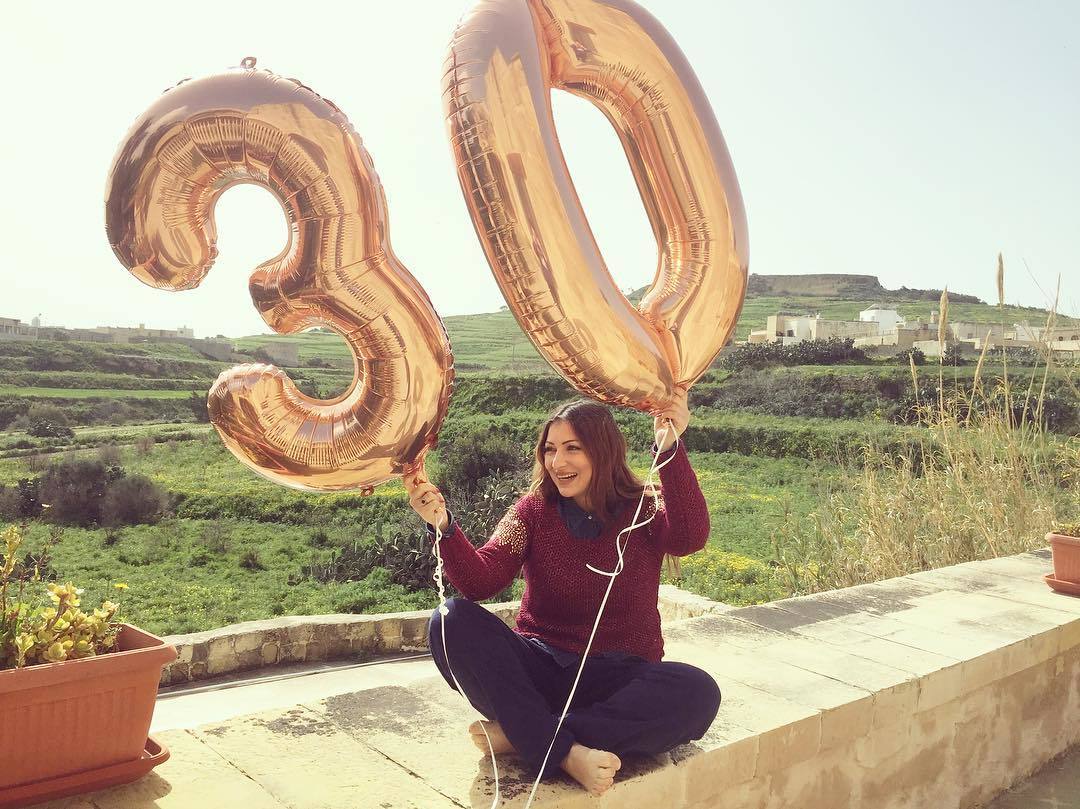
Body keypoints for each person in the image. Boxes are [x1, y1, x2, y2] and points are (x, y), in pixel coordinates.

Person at [404, 388, 720, 796]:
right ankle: (565, 749)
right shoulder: (532, 512)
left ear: (603, 451)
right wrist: (443, 525)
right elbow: (481, 581)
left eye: (573, 448)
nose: (557, 462)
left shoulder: (643, 509)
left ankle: (525, 734)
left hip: (619, 678)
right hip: (542, 671)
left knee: (697, 693)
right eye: (550, 449)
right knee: (450, 620)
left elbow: (690, 537)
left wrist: (670, 447)